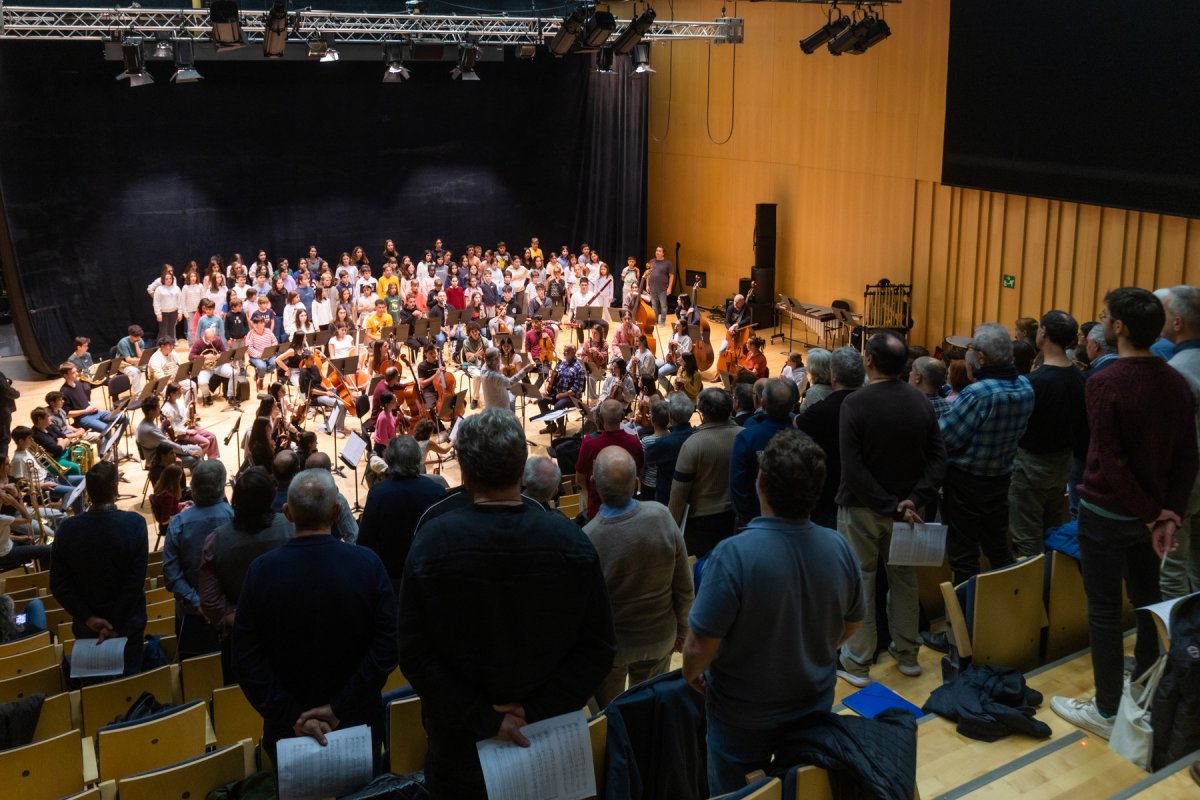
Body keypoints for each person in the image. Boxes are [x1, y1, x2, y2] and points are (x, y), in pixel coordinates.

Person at [398, 409, 616, 798]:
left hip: (461, 747)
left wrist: (482, 718)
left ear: (463, 473)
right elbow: (598, 648)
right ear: (521, 471)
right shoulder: (572, 541)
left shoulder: (431, 543)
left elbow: (414, 654)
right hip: (546, 739)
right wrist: (534, 714)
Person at [682, 431, 865, 795]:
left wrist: (693, 673)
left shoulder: (731, 555)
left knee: (736, 792)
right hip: (814, 701)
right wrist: (813, 646)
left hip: (742, 716)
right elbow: (853, 623)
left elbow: (698, 647)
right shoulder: (839, 546)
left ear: (760, 481)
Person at [1052, 287, 1199, 740]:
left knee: (1102, 611)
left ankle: (1107, 706)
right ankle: (1148, 685)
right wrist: (1165, 513)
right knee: (1148, 600)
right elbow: (1187, 458)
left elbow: (1111, 463)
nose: (1099, 322)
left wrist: (1154, 513)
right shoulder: (1175, 379)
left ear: (1119, 327)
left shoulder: (1105, 381)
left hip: (1107, 513)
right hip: (1149, 517)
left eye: (1104, 316)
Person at [234, 469, 397, 762]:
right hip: (357, 723)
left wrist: (292, 715)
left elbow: (246, 658)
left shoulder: (260, 572)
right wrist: (339, 707)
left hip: (288, 731)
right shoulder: (368, 565)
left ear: (287, 513)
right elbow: (388, 646)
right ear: (337, 513)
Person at [834, 332, 946, 686]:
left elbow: (852, 468)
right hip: (910, 512)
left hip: (863, 510)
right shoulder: (921, 401)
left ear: (868, 360)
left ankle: (857, 663)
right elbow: (938, 458)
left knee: (861, 583)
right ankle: (908, 654)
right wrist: (913, 500)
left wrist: (887, 505)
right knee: (905, 581)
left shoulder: (854, 403)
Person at [585, 446, 693, 708]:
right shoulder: (662, 516)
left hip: (614, 647)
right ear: (636, 483)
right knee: (648, 709)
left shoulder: (588, 538)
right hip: (659, 636)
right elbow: (684, 584)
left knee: (613, 714)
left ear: (594, 485)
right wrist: (683, 629)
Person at [938, 323, 1035, 583]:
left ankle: (966, 619)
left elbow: (946, 437)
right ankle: (1000, 611)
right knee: (998, 547)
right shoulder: (1026, 386)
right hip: (1001, 478)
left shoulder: (979, 393)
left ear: (981, 358)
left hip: (966, 484)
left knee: (964, 555)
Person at [50, 462, 149, 676]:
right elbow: (135, 582)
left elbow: (58, 584)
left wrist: (88, 618)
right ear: (115, 489)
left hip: (88, 626)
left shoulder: (67, 529)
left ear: (87, 491)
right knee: (131, 688)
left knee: (95, 693)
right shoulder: (135, 524)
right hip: (127, 625)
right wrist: (114, 623)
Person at [1007, 311, 1088, 559]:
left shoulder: (1034, 381)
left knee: (1027, 534)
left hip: (1031, 465)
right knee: (1053, 529)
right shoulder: (1079, 377)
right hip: (1063, 463)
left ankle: (1035, 590)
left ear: (1044, 334)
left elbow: (1017, 427)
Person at [358, 436, 446, 595]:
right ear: (418, 459)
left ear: (389, 459)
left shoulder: (378, 494)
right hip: (426, 573)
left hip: (390, 575)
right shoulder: (436, 491)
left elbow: (365, 541)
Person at [163, 460, 232, 659]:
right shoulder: (235, 518)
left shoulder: (178, 523)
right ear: (222, 486)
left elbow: (171, 575)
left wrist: (198, 603)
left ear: (193, 488)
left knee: (195, 680)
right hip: (229, 616)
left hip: (191, 617)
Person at [1159, 285, 1200, 597]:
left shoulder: (1175, 373)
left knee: (1171, 570)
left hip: (1184, 486)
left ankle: (1177, 645)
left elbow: (1166, 443)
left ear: (1177, 323)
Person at [796, 347, 865, 529]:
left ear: (834, 378)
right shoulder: (874, 404)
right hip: (865, 487)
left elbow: (798, 423)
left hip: (829, 485)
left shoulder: (821, 410)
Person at [669, 388, 741, 556]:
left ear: (702, 412)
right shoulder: (744, 435)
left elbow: (678, 493)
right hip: (736, 517)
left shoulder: (693, 444)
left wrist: (672, 526)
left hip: (702, 523)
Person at [730, 379, 799, 529]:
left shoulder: (746, 437)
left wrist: (746, 520)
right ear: (792, 405)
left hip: (754, 519)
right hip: (795, 518)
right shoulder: (803, 436)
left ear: (763, 404)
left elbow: (737, 484)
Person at [575, 399, 644, 520]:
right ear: (622, 417)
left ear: (600, 418)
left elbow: (580, 479)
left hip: (598, 511)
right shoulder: (634, 441)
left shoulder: (589, 443)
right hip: (629, 509)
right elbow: (639, 471)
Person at [643, 392, 695, 505]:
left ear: (670, 417)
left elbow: (647, 459)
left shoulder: (663, 443)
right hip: (692, 494)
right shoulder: (696, 434)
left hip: (666, 496)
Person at [136, 396, 202, 469]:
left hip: (162, 452)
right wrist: (188, 452)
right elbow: (168, 444)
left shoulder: (145, 423)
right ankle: (197, 479)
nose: (160, 409)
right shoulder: (148, 430)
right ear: (151, 411)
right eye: (158, 407)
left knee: (199, 450)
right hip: (158, 459)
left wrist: (162, 425)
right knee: (195, 458)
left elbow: (157, 437)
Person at [536, 344, 586, 436]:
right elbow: (553, 377)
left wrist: (562, 395)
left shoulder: (579, 369)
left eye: (566, 351)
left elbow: (576, 389)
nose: (564, 353)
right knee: (541, 401)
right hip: (557, 393)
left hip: (571, 397)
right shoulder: (562, 364)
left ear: (572, 353)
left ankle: (561, 428)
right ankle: (551, 425)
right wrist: (548, 387)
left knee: (559, 405)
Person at [480, 347, 533, 411]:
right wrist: (524, 370)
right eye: (499, 357)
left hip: (491, 404)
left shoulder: (484, 367)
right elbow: (510, 383)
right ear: (495, 361)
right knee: (512, 398)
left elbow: (500, 367)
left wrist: (508, 368)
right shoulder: (494, 376)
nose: (500, 359)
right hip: (500, 408)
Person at [643, 245, 675, 327]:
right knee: (654, 306)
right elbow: (648, 273)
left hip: (663, 288)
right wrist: (647, 285)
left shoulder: (668, 263)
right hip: (653, 288)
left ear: (663, 253)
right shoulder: (652, 261)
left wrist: (670, 287)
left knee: (663, 306)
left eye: (659, 251)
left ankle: (663, 321)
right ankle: (655, 320)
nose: (657, 252)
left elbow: (671, 275)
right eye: (656, 250)